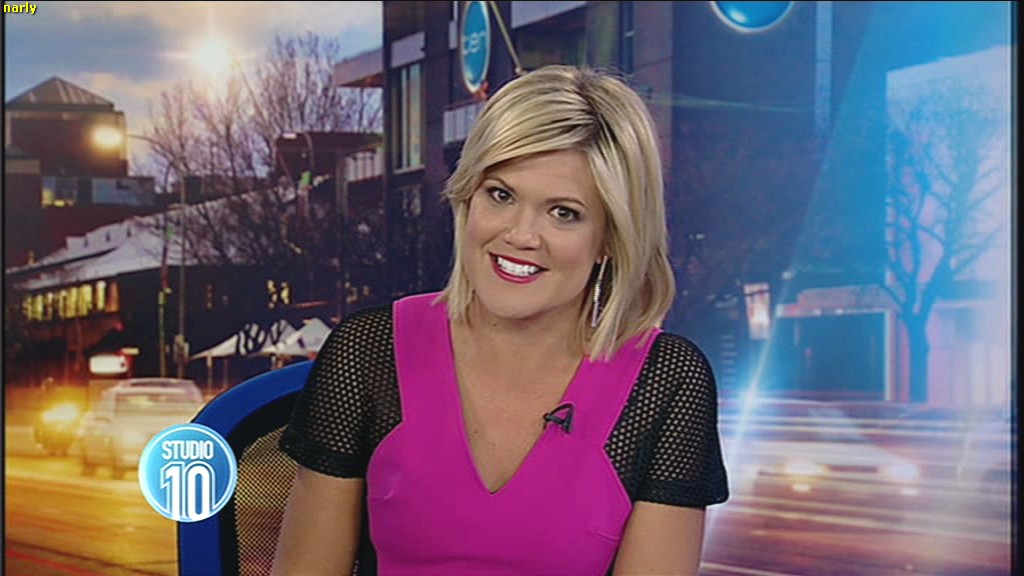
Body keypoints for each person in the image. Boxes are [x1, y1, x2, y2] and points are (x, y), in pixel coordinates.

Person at [272, 65, 729, 576]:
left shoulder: (665, 380)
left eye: (563, 213)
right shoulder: (369, 350)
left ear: (610, 238)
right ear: (467, 198)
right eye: (501, 195)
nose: (520, 235)